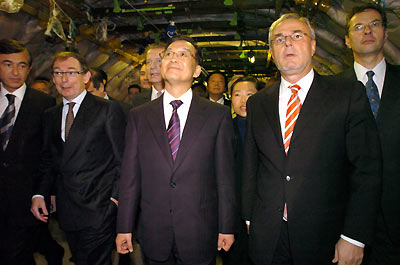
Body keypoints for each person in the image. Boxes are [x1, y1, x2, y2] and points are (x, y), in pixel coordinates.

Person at [242, 13, 382, 265]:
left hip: (326, 236)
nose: (288, 43)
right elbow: (252, 164)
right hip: (268, 237)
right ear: (272, 51)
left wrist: (354, 236)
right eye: (279, 39)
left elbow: (367, 168)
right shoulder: (258, 103)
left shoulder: (346, 94)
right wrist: (249, 218)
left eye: (297, 36)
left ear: (314, 45)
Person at [116, 36, 236, 265]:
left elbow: (225, 178)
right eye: (169, 54)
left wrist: (226, 226)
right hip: (154, 232)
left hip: (199, 231)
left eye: (183, 54)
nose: (174, 58)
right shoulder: (139, 115)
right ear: (161, 67)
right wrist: (124, 227)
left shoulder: (217, 116)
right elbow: (130, 177)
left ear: (197, 70)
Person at [31, 51, 126, 265]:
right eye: (58, 73)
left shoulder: (107, 109)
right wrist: (40, 194)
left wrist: (115, 198)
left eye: (71, 72)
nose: (64, 79)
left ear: (86, 77)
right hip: (68, 209)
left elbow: (123, 158)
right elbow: (48, 160)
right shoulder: (51, 115)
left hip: (99, 206)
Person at [342, 4, 400, 264]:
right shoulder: (330, 92)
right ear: (346, 40)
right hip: (347, 222)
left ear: (386, 34)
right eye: (358, 27)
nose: (367, 31)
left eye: (375, 24)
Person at [0, 39, 57, 265]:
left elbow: (48, 154)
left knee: (16, 255)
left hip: (25, 200)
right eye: (7, 64)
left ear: (30, 69)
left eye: (22, 65)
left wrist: (42, 193)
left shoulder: (44, 104)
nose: (15, 72)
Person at [222, 76, 258, 265]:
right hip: (232, 211)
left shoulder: (269, 128)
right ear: (230, 97)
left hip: (262, 210)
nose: (243, 101)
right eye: (237, 95)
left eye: (250, 94)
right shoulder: (223, 128)